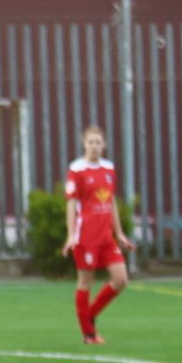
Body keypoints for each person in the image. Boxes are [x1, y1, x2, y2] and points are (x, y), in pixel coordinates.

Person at [63, 125, 134, 345]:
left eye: (98, 142)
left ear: (104, 145)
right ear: (84, 144)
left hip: (106, 237)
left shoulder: (109, 168)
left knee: (121, 280)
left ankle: (90, 315)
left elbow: (110, 202)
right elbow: (71, 204)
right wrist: (70, 235)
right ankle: (88, 334)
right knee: (85, 282)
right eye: (90, 142)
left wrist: (119, 233)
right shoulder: (77, 169)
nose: (94, 146)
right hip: (86, 237)